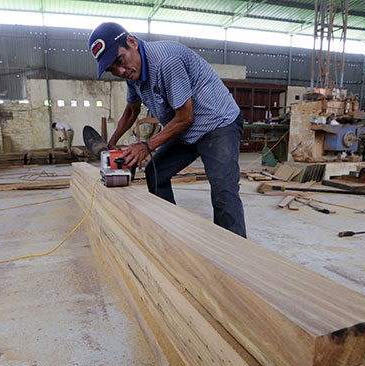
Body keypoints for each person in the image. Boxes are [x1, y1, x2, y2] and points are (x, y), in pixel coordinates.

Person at [88, 22, 246, 237]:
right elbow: (132, 110)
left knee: (223, 190)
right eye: (112, 70)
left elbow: (186, 117)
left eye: (119, 61)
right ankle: (169, 233)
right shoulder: (132, 73)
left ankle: (234, 249)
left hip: (218, 123)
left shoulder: (165, 62)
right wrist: (112, 143)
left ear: (132, 42)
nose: (120, 71)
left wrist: (146, 146)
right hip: (187, 128)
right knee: (156, 172)